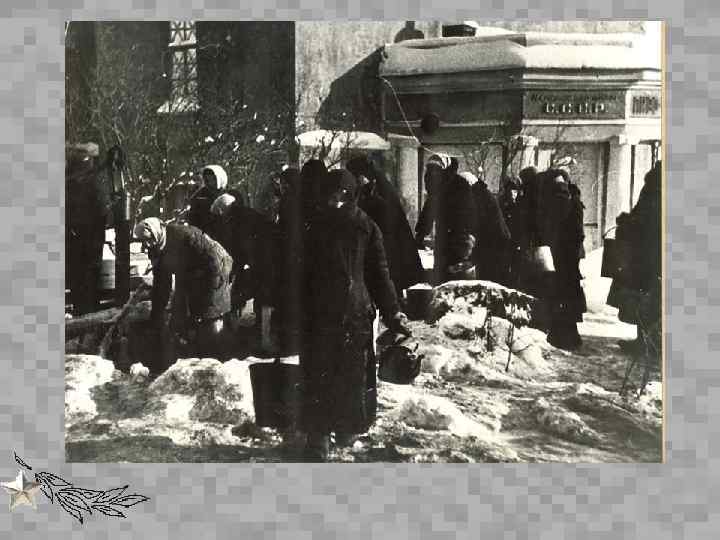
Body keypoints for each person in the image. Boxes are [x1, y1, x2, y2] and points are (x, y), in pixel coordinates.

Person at [301, 169, 411, 461]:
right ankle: (318, 437)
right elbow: (299, 273)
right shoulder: (314, 226)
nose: (336, 201)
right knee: (318, 374)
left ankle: (346, 427)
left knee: (351, 375)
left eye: (343, 195)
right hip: (319, 313)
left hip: (355, 315)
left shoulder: (366, 227)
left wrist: (393, 312)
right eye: (332, 195)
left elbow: (379, 274)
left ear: (353, 195)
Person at [134, 217, 233, 366]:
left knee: (209, 315)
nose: (147, 244)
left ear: (156, 232)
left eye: (148, 239)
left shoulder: (183, 235)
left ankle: (217, 359)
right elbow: (161, 284)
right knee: (181, 313)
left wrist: (206, 301)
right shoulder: (155, 249)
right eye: (143, 241)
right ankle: (188, 352)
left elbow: (213, 261)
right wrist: (156, 317)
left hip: (216, 267)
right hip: (190, 273)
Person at [346, 156, 424, 298]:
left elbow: (381, 217)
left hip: (389, 245)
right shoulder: (378, 185)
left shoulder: (377, 190)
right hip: (389, 244)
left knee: (388, 282)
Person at [608, 161, 662, 357]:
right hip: (654, 256)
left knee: (645, 299)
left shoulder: (653, 190)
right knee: (650, 299)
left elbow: (643, 221)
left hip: (646, 257)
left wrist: (626, 221)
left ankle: (646, 344)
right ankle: (647, 342)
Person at [66, 142, 113, 316]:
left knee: (84, 279)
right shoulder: (88, 182)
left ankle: (85, 312)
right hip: (83, 240)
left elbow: (101, 213)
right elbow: (103, 212)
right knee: (86, 279)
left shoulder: (83, 183)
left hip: (85, 240)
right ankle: (86, 312)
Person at [546, 178, 587, 350]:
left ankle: (564, 337)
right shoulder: (573, 204)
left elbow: (565, 232)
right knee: (568, 298)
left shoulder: (563, 205)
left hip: (564, 258)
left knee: (563, 297)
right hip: (569, 260)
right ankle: (570, 336)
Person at [469, 169, 511, 284]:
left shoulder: (480, 197)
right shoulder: (483, 193)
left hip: (495, 245)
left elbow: (480, 225)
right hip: (495, 243)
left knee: (491, 280)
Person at [498, 175, 525, 288]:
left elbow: (521, 224)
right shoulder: (501, 203)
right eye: (510, 189)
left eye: (515, 190)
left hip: (516, 241)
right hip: (504, 241)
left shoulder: (520, 204)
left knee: (515, 268)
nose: (512, 193)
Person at [187, 164, 228, 237]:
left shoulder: (227, 196)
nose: (210, 182)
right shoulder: (199, 196)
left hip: (224, 235)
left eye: (213, 179)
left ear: (219, 179)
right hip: (204, 236)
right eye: (207, 179)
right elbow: (192, 219)